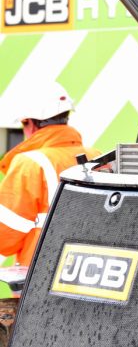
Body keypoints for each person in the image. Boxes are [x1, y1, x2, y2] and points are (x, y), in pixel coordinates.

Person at [0, 82, 100, 266]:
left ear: (29, 123)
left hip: (39, 275)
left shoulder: (30, 163)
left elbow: (5, 234)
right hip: (91, 271)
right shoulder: (96, 156)